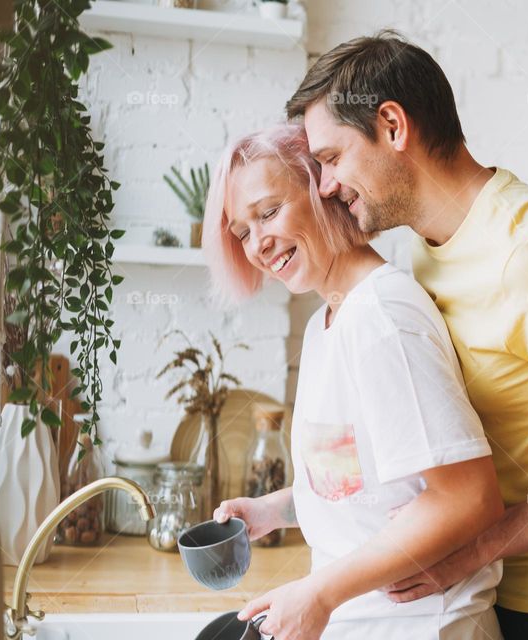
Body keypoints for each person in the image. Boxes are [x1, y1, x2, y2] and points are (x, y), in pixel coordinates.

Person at [284, 30, 528, 640]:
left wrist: (474, 548)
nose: (325, 185)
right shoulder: (428, 248)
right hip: (507, 590)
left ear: (392, 125)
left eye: (332, 158)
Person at [202, 123, 505, 640]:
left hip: (424, 628)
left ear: (322, 188)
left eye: (268, 213)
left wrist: (319, 594)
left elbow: (468, 498)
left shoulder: (381, 317)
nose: (257, 245)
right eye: (243, 232)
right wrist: (270, 511)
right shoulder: (328, 323)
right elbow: (362, 489)